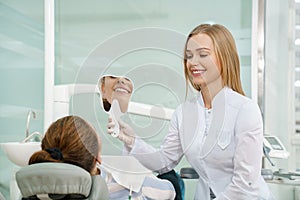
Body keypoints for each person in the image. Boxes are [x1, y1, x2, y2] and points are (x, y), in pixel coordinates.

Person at [107, 24, 274, 200]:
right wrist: (133, 141)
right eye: (189, 56)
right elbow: (164, 160)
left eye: (203, 54)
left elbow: (244, 183)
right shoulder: (184, 113)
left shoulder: (245, 110)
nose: (193, 62)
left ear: (224, 58)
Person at [29, 115, 176, 200]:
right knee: (173, 179)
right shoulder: (129, 189)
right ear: (97, 159)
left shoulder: (36, 190)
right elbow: (170, 191)